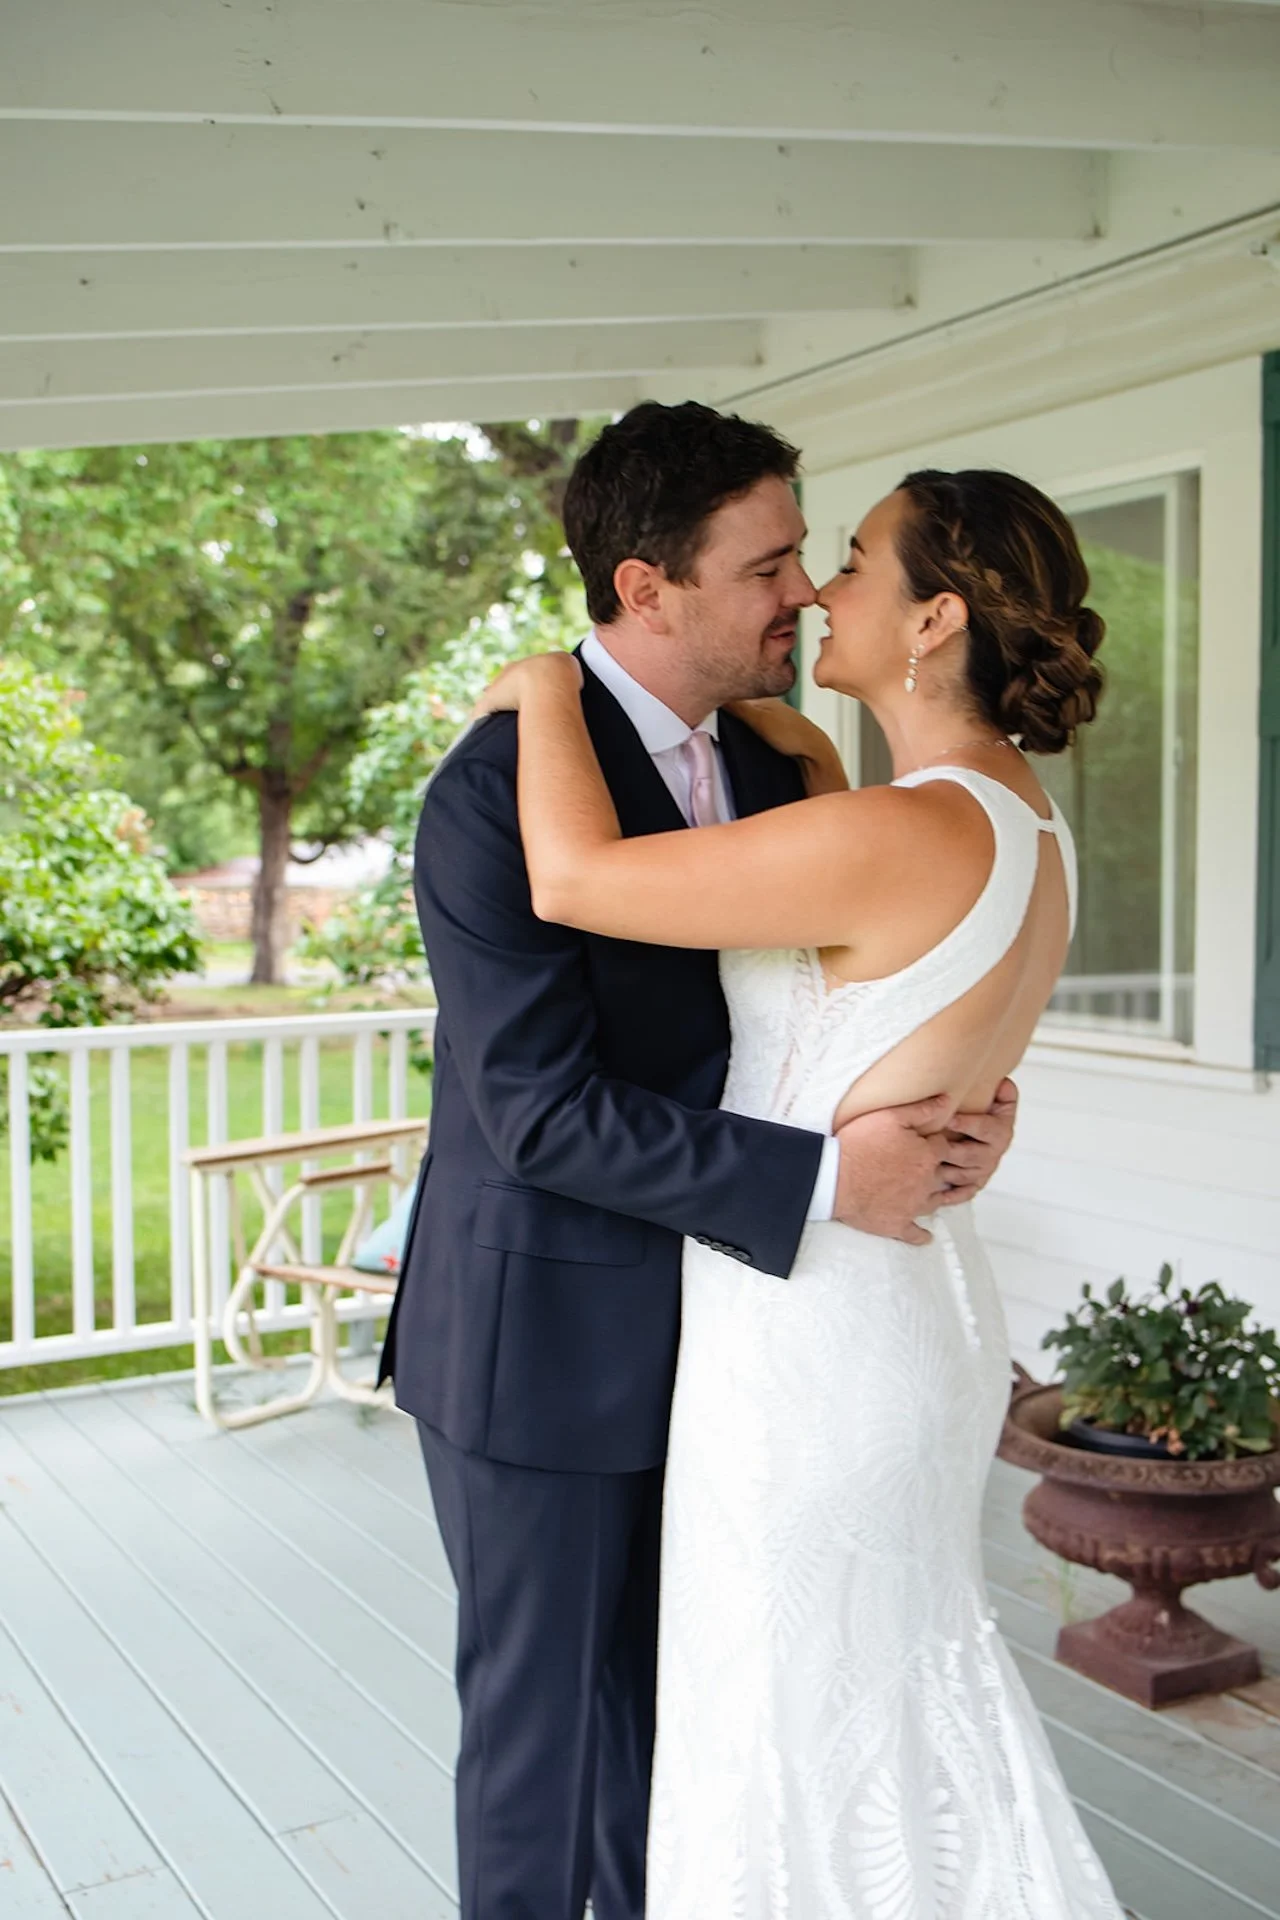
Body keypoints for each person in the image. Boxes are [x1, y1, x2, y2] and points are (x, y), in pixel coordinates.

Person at [379, 402, 1018, 1920]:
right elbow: (535, 1108)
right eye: (770, 563)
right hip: (546, 1345)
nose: (802, 591)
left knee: (694, 1742)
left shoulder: (788, 766)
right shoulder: (495, 789)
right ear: (646, 586)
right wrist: (822, 1186)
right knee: (549, 1753)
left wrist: (946, 1107)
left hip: (746, 1351)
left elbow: (836, 1005)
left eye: (810, 555)